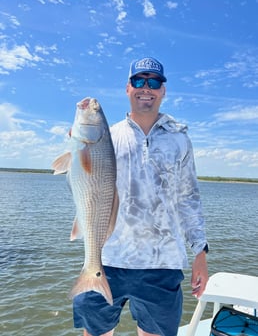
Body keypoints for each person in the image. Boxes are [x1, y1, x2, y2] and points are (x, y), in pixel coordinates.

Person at [73, 57, 209, 336]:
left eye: (154, 81)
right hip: (107, 258)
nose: (146, 87)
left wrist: (200, 252)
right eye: (138, 80)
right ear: (127, 88)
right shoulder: (107, 137)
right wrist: (77, 149)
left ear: (163, 90)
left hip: (162, 263)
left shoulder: (180, 139)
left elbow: (189, 198)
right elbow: (87, 188)